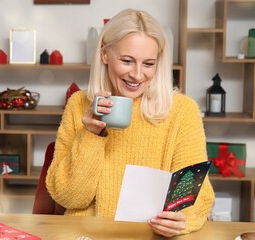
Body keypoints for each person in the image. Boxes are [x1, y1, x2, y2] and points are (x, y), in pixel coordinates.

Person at [45, 8, 215, 237]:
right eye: (126, 61)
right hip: (86, 234)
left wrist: (183, 220)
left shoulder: (182, 111)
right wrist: (91, 135)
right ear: (105, 54)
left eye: (148, 63)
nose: (137, 75)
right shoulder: (79, 105)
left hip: (151, 235)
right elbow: (69, 197)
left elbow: (198, 195)